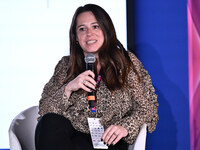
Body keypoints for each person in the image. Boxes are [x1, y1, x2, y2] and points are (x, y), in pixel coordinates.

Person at [35, 3, 159, 150]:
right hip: (73, 140)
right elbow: (44, 111)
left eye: (95, 26)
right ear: (76, 37)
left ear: (106, 30)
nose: (89, 34)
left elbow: (148, 108)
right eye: (82, 29)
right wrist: (68, 88)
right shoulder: (65, 66)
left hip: (109, 140)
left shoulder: (126, 63)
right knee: (49, 122)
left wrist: (125, 127)